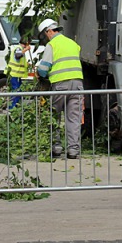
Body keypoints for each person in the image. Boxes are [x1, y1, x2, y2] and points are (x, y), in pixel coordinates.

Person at [37, 18, 84, 159]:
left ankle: (56, 148)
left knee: (54, 116)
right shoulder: (73, 44)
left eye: (46, 34)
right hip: (77, 84)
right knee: (74, 118)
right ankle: (73, 150)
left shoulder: (52, 45)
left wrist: (40, 74)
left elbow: (43, 69)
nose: (47, 37)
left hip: (60, 85)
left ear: (49, 31)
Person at [5, 37, 32, 109]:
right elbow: (17, 56)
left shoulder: (19, 49)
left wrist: (28, 64)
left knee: (18, 92)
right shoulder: (18, 48)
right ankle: (12, 109)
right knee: (16, 92)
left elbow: (19, 61)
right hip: (14, 75)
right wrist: (26, 50)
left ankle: (16, 108)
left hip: (17, 75)